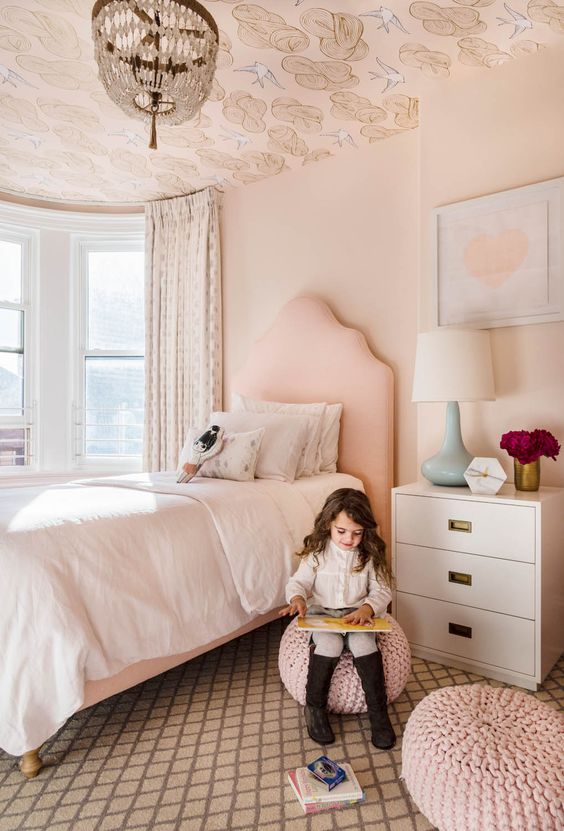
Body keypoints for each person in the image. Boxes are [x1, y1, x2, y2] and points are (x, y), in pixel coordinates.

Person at [279, 488, 395, 749]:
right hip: (323, 613)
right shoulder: (317, 553)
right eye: (341, 531)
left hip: (358, 614)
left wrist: (367, 608)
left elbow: (383, 590)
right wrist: (297, 599)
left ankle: (379, 714)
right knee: (329, 645)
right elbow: (298, 583)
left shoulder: (368, 555)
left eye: (357, 533)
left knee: (365, 645)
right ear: (329, 525)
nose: (349, 539)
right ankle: (315, 708)